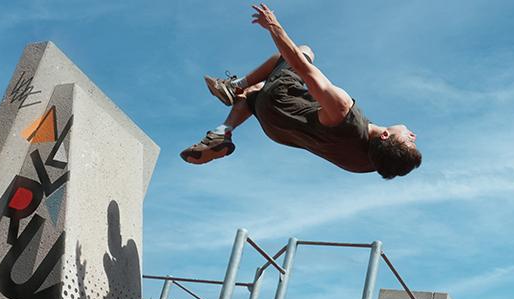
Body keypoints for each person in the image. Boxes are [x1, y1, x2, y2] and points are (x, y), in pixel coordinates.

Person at [180, 4, 421, 179]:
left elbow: (301, 67)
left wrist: (273, 26)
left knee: (304, 52)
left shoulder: (343, 111)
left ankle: (233, 86)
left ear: (385, 136)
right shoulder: (364, 164)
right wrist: (400, 161)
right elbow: (390, 167)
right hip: (276, 130)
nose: (413, 136)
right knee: (254, 91)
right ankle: (222, 131)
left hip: (279, 99)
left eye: (409, 140)